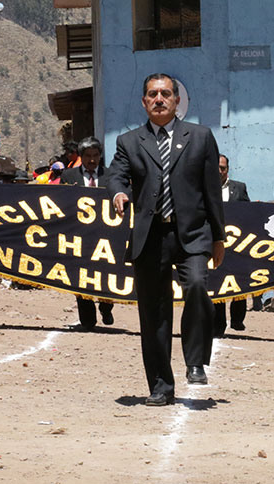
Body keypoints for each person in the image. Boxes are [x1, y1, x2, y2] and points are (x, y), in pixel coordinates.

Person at [108, 72, 226, 407]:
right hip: (151, 235)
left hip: (192, 234)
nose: (159, 99)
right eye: (152, 95)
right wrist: (118, 193)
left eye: (165, 94)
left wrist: (218, 236)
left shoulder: (201, 137)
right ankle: (161, 386)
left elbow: (211, 191)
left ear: (177, 100)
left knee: (198, 287)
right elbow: (116, 175)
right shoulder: (129, 142)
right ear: (144, 102)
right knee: (154, 314)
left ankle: (195, 360)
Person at [61, 136, 115, 330]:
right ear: (81, 157)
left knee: (107, 273)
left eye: (95, 155)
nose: (92, 160)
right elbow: (62, 203)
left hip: (105, 235)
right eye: (88, 156)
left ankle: (106, 306)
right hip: (79, 236)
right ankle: (87, 317)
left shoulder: (111, 176)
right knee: (81, 275)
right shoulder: (69, 176)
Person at [213, 154, 251, 336]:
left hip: (237, 244)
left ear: (228, 169)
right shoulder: (205, 188)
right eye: (217, 167)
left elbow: (247, 212)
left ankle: (237, 319)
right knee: (218, 282)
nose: (220, 171)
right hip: (215, 242)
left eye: (223, 168)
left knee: (238, 281)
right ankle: (218, 323)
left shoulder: (240, 188)